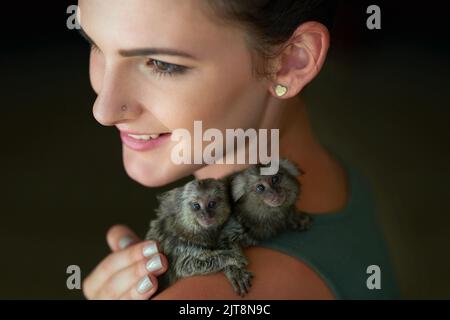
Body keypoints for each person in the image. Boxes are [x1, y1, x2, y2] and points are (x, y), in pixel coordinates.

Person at [79, 0, 399, 299]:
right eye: (95, 44)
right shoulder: (324, 175)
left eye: (162, 64)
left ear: (292, 60)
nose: (103, 110)